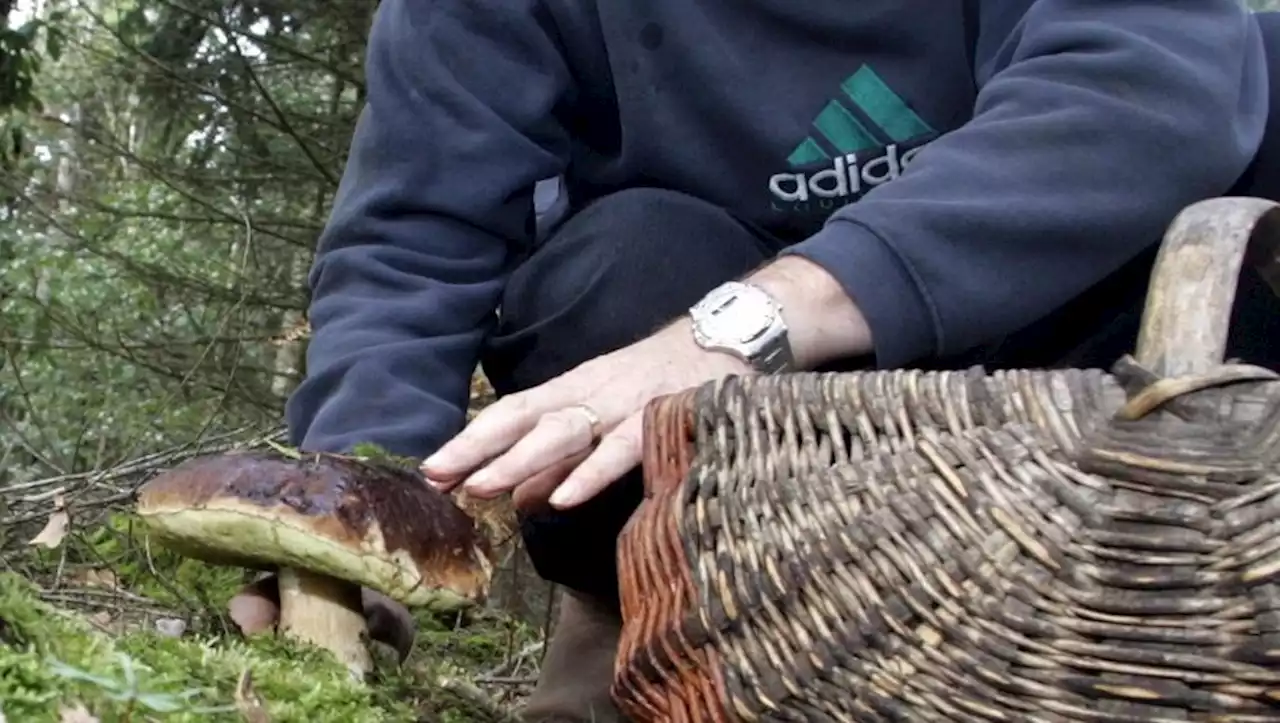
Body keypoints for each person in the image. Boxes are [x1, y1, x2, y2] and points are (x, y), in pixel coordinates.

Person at [250, 2, 1275, 721]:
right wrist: (356, 513)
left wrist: (751, 321)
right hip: (728, 478)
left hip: (1078, 394)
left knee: (1253, 100)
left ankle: (1199, 630)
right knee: (621, 258)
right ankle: (652, 635)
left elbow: (1138, 91)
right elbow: (412, 246)